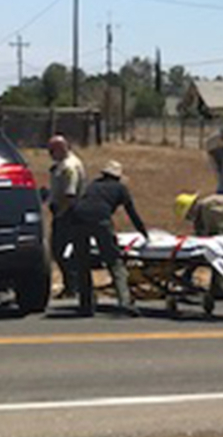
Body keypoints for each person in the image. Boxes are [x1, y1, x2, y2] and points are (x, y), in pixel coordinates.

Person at [68, 161, 148, 317]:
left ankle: (85, 304)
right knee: (114, 262)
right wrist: (144, 233)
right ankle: (124, 302)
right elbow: (132, 213)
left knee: (82, 262)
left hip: (77, 218)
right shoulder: (120, 188)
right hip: (100, 220)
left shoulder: (93, 185)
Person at [45, 135, 86, 298]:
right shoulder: (60, 165)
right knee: (59, 251)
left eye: (52, 150)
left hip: (68, 213)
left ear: (62, 148)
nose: (49, 154)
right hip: (63, 212)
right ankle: (71, 285)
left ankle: (73, 285)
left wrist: (60, 212)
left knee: (60, 250)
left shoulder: (70, 166)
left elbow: (70, 194)